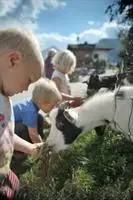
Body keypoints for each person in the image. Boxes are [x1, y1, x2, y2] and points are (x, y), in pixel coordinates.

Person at [0, 27, 44, 200]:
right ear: (13, 60)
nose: (26, 88)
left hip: (4, 170)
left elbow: (5, 132)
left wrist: (31, 148)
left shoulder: (5, 96)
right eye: (29, 80)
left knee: (15, 184)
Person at [13, 78, 62, 144]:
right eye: (52, 106)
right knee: (23, 128)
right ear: (41, 103)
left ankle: (40, 140)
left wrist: (47, 122)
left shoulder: (31, 104)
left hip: (10, 125)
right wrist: (43, 149)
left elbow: (34, 116)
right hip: (5, 131)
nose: (53, 108)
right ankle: (27, 148)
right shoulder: (30, 111)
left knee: (39, 117)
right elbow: (33, 135)